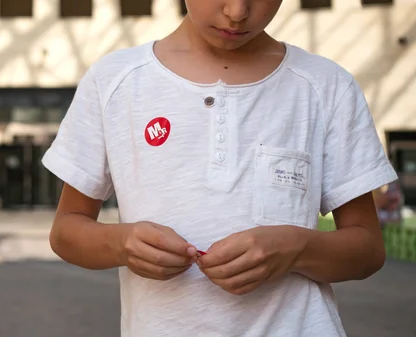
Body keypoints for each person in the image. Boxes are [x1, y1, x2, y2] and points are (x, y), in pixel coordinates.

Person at [41, 1, 399, 336]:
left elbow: (367, 249)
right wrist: (122, 243)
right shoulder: (116, 81)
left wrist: (295, 249)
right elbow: (67, 231)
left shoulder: (326, 86)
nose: (238, 12)